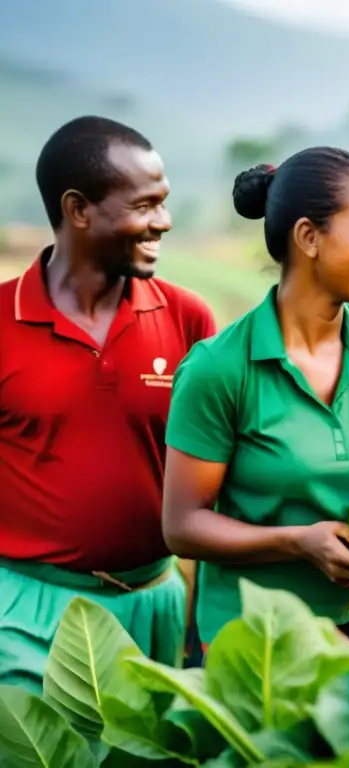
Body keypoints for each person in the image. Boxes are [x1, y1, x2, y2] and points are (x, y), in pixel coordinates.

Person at [161, 147, 349, 651]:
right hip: (253, 642)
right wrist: (297, 543)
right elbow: (183, 527)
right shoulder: (219, 368)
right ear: (309, 238)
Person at [0, 116, 217, 691]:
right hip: (24, 613)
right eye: (145, 206)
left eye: (163, 203)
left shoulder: (188, 318)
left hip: (156, 605)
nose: (163, 223)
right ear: (78, 209)